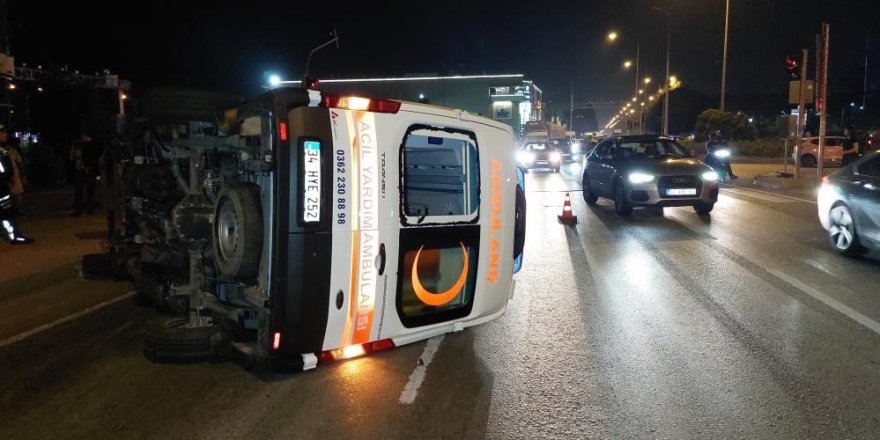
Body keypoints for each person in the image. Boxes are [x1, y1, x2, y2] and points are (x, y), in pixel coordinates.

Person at [0, 124, 34, 244]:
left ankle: (13, 235)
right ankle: (15, 236)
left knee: (7, 211)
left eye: (5, 132)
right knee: (6, 212)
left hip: (4, 185)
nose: (5, 135)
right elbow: (4, 170)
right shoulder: (3, 151)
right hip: (2, 186)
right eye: (2, 133)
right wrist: (8, 179)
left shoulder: (6, 149)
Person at [70, 135, 104, 216]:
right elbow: (73, 157)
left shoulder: (92, 146)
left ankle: (89, 209)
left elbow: (95, 156)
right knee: (80, 190)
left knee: (90, 190)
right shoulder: (78, 145)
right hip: (81, 169)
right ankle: (79, 209)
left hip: (89, 169)